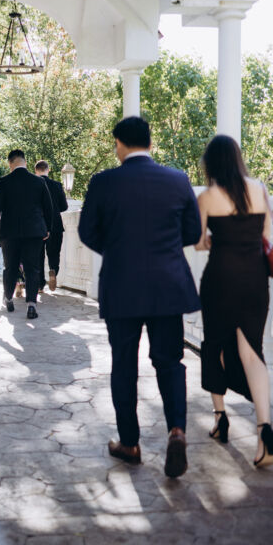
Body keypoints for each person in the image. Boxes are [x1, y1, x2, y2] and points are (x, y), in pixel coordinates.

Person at [78, 116, 201, 479]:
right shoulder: (178, 180)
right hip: (168, 285)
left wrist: (118, 251)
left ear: (119, 143)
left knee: (124, 365)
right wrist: (163, 251)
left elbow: (86, 231)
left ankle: (130, 444)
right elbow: (193, 231)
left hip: (121, 285)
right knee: (170, 361)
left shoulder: (103, 182)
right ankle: (176, 430)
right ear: (149, 142)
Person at [195, 135, 273, 468]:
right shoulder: (260, 189)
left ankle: (220, 419)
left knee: (215, 346)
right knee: (252, 351)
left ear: (211, 164)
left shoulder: (207, 196)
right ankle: (265, 431)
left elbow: (199, 242)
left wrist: (217, 240)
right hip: (255, 279)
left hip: (220, 279)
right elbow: (266, 234)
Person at [0, 149, 53, 320]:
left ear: (10, 164)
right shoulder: (38, 181)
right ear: (25, 162)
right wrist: (47, 228)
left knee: (10, 267)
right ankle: (31, 305)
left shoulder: (4, 182)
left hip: (9, 232)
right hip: (34, 231)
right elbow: (48, 207)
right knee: (32, 268)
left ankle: (8, 298)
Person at [35, 160, 68, 292]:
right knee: (54, 253)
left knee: (38, 255)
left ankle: (40, 285)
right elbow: (64, 206)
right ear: (48, 170)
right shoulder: (57, 185)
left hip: (38, 225)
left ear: (36, 171)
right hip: (55, 225)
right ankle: (53, 270)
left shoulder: (34, 185)